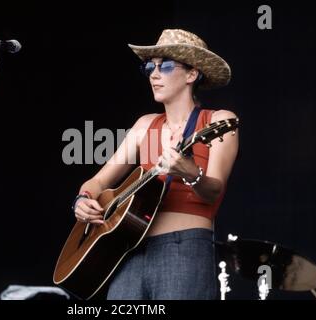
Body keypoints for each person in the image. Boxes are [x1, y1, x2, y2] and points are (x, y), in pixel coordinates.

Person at [72, 29, 239, 299]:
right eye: (151, 66)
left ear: (192, 74)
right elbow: (98, 182)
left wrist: (191, 174)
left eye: (167, 65)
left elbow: (213, 191)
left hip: (184, 246)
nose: (154, 73)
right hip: (130, 249)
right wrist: (82, 200)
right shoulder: (145, 125)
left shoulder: (217, 121)